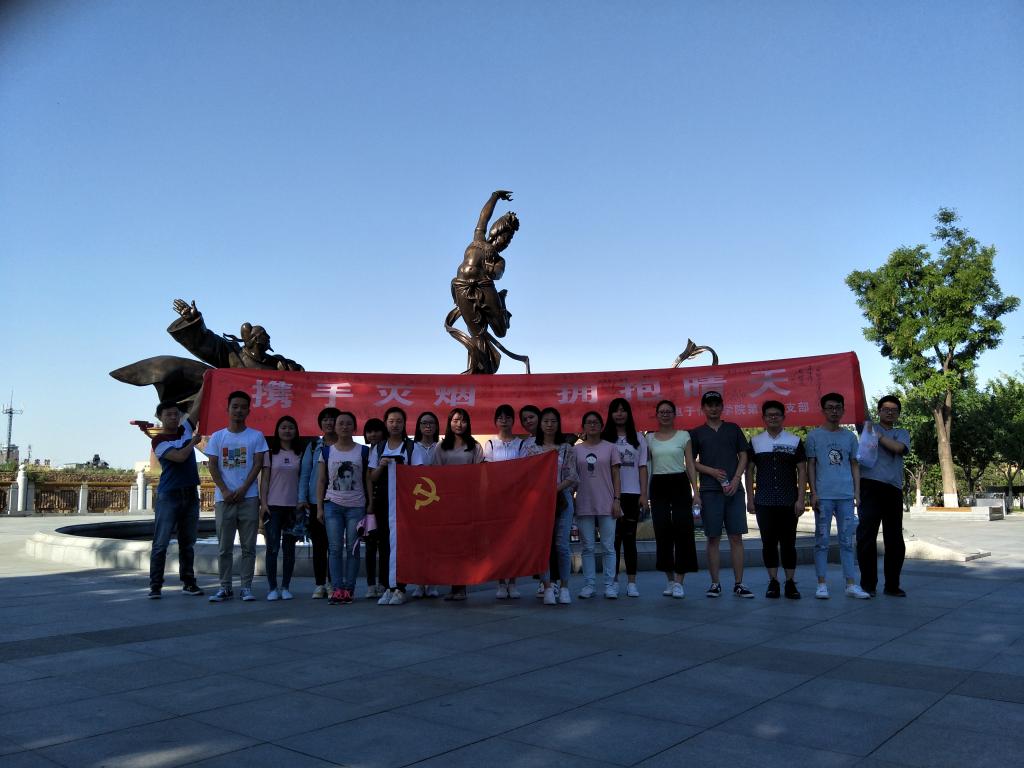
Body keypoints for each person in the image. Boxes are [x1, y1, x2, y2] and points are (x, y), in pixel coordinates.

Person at [806, 393, 871, 599]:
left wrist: (857, 493)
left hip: (845, 496)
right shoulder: (814, 436)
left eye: (838, 407)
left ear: (843, 410)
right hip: (823, 496)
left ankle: (851, 584)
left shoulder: (850, 437)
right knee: (822, 540)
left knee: (847, 541)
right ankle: (821, 584)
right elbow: (811, 465)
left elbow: (855, 465)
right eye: (830, 407)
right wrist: (813, 492)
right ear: (823, 410)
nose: (834, 411)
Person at [204, 391, 268, 602]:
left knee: (249, 547)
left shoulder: (256, 436)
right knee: (224, 547)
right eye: (235, 406)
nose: (239, 410)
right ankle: (225, 587)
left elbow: (258, 464)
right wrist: (224, 490)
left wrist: (243, 489)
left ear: (249, 410)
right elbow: (213, 465)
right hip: (224, 499)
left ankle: (246, 587)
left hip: (248, 498)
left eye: (243, 407)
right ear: (228, 409)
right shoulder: (217, 437)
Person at [448, 190, 520, 374]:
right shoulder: (478, 238)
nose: (506, 242)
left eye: (509, 240)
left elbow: (497, 274)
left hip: (484, 286)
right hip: (462, 286)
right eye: (506, 237)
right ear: (496, 232)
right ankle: (478, 371)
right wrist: (495, 196)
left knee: (501, 331)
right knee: (477, 333)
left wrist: (490, 265)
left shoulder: (499, 260)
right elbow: (484, 216)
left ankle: (501, 301)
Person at [690, 391, 754, 598]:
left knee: (736, 537)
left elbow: (743, 455)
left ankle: (739, 583)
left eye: (717, 404)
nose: (713, 408)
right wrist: (711, 471)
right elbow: (690, 463)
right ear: (703, 408)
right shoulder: (697, 433)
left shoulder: (733, 428)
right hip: (710, 491)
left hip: (734, 490)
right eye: (709, 405)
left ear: (722, 407)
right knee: (713, 538)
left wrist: (736, 479)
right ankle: (715, 583)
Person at [745, 400, 807, 599]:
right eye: (769, 415)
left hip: (789, 501)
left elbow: (802, 470)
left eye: (777, 415)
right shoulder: (756, 442)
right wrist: (750, 498)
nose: (773, 418)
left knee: (789, 543)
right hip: (764, 501)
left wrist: (800, 499)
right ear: (763, 418)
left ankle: (790, 582)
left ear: (783, 417)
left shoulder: (794, 441)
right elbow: (749, 471)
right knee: (768, 543)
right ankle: (773, 581)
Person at [368, 408, 427, 605]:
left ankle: (400, 587)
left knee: (401, 544)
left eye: (399, 421)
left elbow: (419, 475)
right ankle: (388, 586)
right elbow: (372, 477)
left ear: (404, 424)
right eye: (391, 421)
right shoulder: (378, 448)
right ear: (386, 423)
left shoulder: (411, 447)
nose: (395, 424)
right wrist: (382, 466)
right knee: (384, 543)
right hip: (383, 501)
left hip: (404, 502)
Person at [148, 401, 204, 599]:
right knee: (161, 543)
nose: (173, 417)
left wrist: (207, 385)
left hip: (190, 494)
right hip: (169, 495)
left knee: (187, 542)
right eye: (168, 414)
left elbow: (197, 409)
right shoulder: (158, 440)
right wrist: (193, 443)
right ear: (160, 417)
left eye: (175, 414)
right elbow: (179, 457)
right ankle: (155, 586)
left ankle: (189, 582)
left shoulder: (185, 429)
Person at [523, 407, 578, 605]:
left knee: (561, 545)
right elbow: (526, 475)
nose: (549, 425)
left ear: (558, 423)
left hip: (562, 499)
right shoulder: (531, 449)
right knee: (543, 545)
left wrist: (554, 489)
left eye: (553, 421)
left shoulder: (566, 448)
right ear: (540, 424)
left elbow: (572, 475)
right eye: (546, 421)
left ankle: (564, 587)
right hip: (539, 501)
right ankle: (546, 586)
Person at [857, 395, 911, 597]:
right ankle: (868, 584)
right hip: (869, 486)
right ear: (878, 411)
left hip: (893, 489)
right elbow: (861, 408)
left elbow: (899, 448)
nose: (890, 412)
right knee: (866, 537)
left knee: (894, 539)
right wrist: (858, 381)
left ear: (898, 414)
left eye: (894, 410)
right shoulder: (867, 427)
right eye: (886, 409)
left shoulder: (901, 433)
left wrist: (878, 437)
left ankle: (892, 585)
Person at [646, 399, 700, 599]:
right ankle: (669, 580)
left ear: (674, 414)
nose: (665, 414)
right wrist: (644, 493)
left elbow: (690, 464)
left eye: (669, 411)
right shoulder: (649, 438)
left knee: (683, 530)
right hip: (658, 484)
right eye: (662, 411)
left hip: (679, 483)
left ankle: (679, 581)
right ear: (657, 415)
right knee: (662, 530)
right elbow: (646, 467)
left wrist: (696, 492)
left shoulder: (684, 436)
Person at [433, 408, 485, 600]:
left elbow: (480, 473)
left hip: (467, 500)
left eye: (463, 421)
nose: (459, 424)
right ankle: (453, 584)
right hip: (447, 500)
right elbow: (435, 473)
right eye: (455, 420)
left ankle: (461, 586)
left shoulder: (475, 446)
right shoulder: (441, 447)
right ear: (449, 422)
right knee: (449, 544)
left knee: (464, 543)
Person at [317, 412, 369, 605]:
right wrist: (319, 507)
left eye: (348, 424)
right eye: (341, 423)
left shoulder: (364, 451)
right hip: (332, 505)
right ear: (335, 427)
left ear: (354, 427)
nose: (344, 427)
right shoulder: (326, 452)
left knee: (353, 549)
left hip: (356, 505)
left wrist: (370, 504)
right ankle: (337, 589)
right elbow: (321, 481)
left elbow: (368, 479)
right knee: (335, 548)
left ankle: (349, 589)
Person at [601, 398, 649, 597]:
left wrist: (644, 494)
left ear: (629, 413)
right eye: (616, 411)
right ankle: (612, 582)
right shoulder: (604, 439)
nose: (619, 414)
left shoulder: (638, 438)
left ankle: (631, 582)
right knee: (612, 541)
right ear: (610, 415)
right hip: (609, 495)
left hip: (632, 494)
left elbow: (643, 467)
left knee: (629, 539)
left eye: (623, 410)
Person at [574, 411, 622, 599]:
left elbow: (616, 475)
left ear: (602, 426)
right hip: (584, 501)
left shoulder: (611, 448)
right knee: (587, 547)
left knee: (608, 546)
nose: (592, 425)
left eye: (596, 422)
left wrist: (617, 500)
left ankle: (610, 585)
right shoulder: (576, 450)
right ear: (583, 427)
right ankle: (589, 585)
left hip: (607, 502)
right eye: (589, 422)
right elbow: (572, 477)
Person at [259, 415, 306, 601]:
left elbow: (303, 479)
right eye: (283, 427)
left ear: (296, 431)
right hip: (273, 507)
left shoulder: (300, 453)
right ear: (277, 430)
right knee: (272, 548)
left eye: (291, 427)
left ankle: (286, 586)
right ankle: (272, 587)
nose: (287, 431)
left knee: (289, 550)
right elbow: (264, 481)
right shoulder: (270, 453)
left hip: (293, 508)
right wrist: (263, 504)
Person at [483, 404, 525, 599]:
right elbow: (488, 470)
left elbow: (524, 469)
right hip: (496, 499)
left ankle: (513, 582)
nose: (504, 420)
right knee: (498, 541)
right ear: (495, 421)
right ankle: (500, 582)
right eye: (500, 417)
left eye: (507, 417)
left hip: (516, 499)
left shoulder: (521, 444)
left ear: (513, 421)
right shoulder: (490, 444)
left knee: (515, 541)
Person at [298, 407, 340, 599]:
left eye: (333, 419)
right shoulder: (314, 446)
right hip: (316, 501)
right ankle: (320, 584)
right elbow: (305, 474)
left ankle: (333, 582)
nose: (329, 423)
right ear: (320, 424)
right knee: (319, 545)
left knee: (335, 545)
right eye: (325, 419)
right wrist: (302, 498)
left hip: (338, 500)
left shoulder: (344, 446)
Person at [408, 411, 442, 599]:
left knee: (435, 544)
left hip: (438, 501)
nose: (428, 426)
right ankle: (420, 583)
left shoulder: (441, 446)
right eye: (424, 423)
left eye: (431, 423)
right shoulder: (411, 447)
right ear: (418, 427)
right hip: (417, 502)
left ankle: (433, 582)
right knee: (418, 543)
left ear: (437, 426)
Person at [361, 417, 387, 598]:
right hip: (366, 503)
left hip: (384, 501)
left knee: (385, 544)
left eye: (377, 431)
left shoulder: (387, 450)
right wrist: (369, 502)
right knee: (370, 545)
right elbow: (367, 479)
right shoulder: (363, 453)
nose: (373, 434)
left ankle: (383, 583)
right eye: (369, 431)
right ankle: (371, 585)